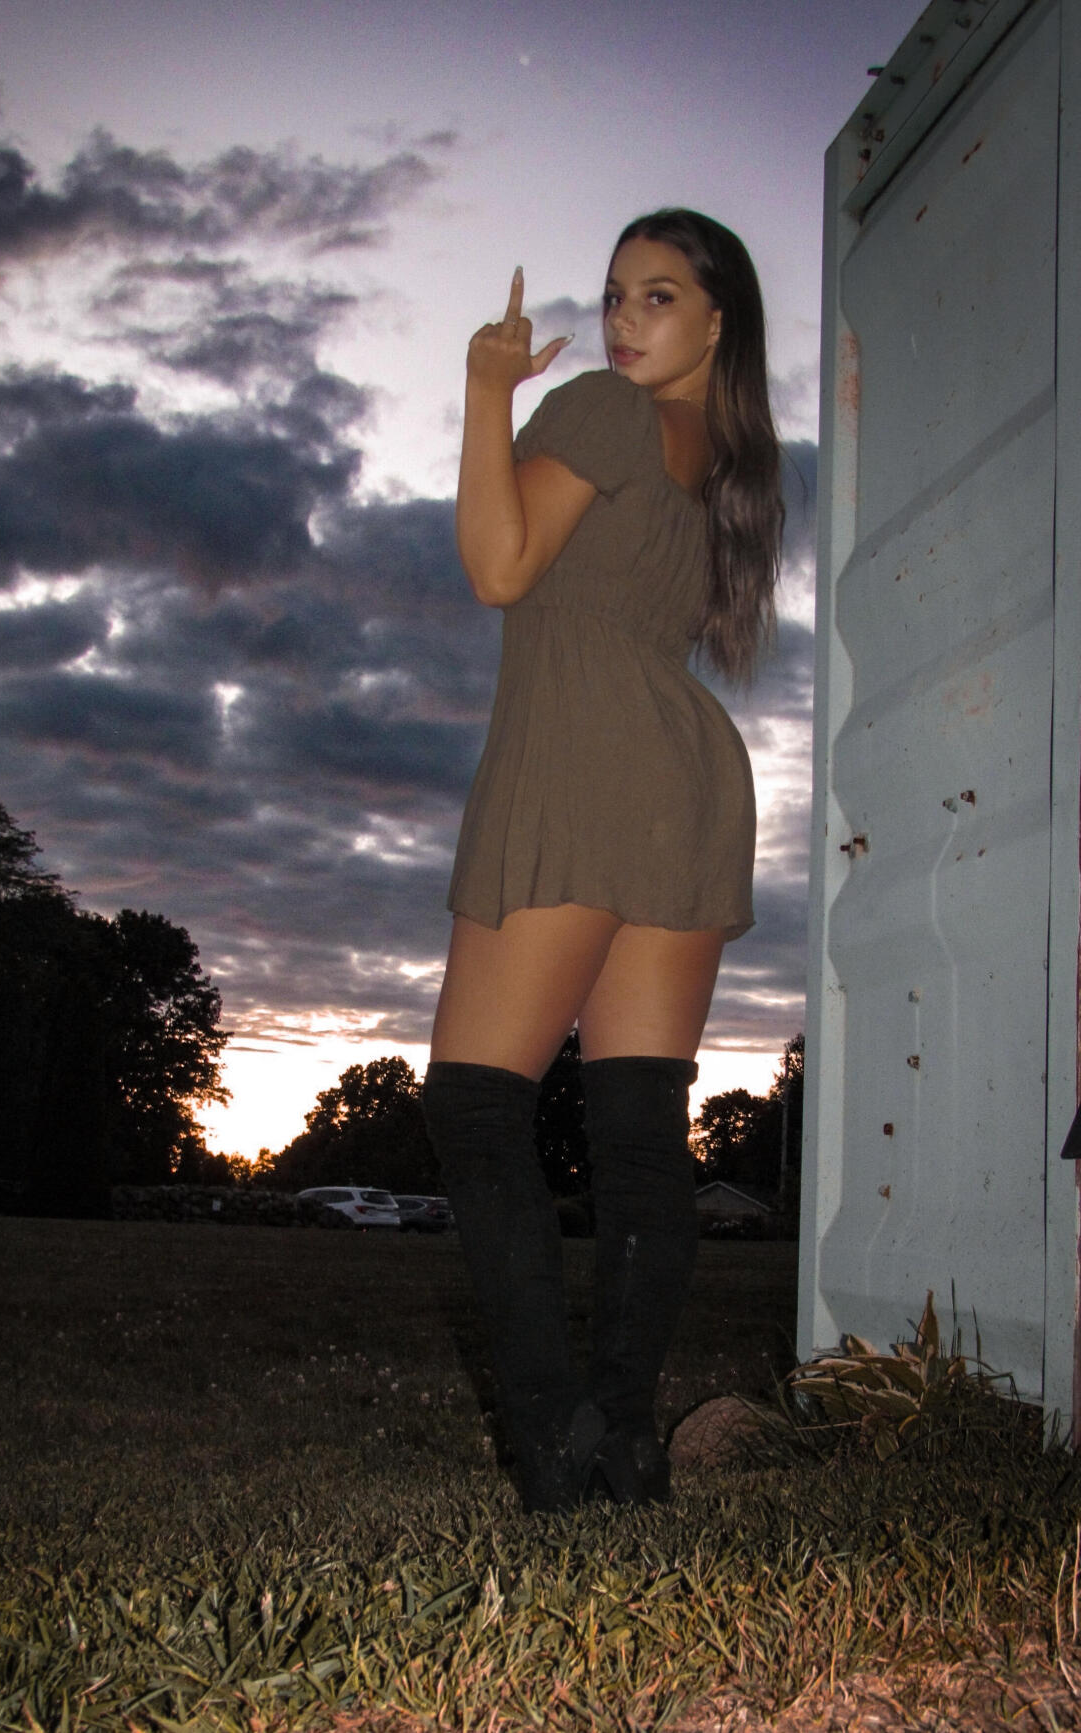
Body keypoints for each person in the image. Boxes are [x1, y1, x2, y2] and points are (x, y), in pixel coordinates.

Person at [420, 210, 783, 1512]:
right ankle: (624, 1446)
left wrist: (485, 388)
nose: (625, 318)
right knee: (636, 1130)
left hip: (583, 762)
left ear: (718, 319)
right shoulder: (727, 468)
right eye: (618, 293)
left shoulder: (607, 414)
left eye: (660, 295)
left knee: (475, 1104)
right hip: (687, 781)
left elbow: (498, 566)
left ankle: (556, 1447)